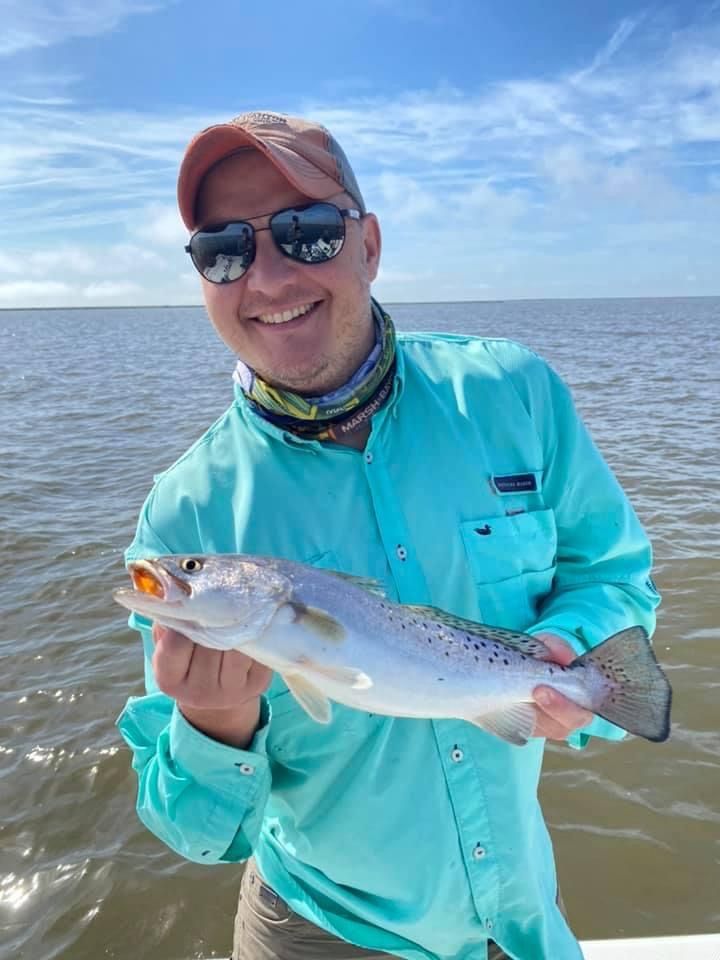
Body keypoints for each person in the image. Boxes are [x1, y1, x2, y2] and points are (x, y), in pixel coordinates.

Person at [116, 111, 661, 960]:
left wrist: (569, 659)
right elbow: (193, 832)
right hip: (317, 932)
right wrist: (213, 723)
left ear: (368, 243)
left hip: (521, 923)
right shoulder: (184, 511)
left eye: (305, 233)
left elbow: (613, 574)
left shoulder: (514, 393)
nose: (264, 276)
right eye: (222, 248)